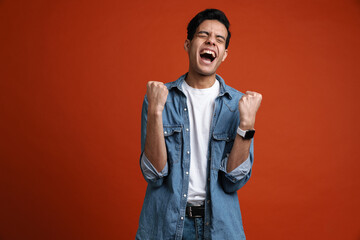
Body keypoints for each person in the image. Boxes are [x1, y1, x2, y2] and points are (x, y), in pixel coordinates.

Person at [136, 9, 262, 240]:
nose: (211, 41)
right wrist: (155, 111)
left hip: (220, 227)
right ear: (187, 44)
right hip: (165, 225)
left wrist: (247, 123)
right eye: (203, 35)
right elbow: (154, 175)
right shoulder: (160, 98)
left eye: (219, 39)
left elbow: (233, 181)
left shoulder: (237, 104)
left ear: (224, 54)